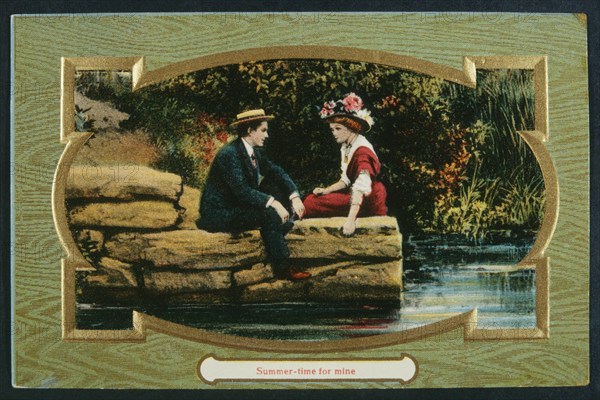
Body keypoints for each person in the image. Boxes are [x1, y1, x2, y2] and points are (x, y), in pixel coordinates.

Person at [197, 109, 311, 280]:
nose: (267, 135)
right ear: (250, 131)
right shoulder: (229, 154)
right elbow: (242, 191)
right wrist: (275, 203)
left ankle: (278, 228)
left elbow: (276, 172)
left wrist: (294, 196)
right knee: (270, 215)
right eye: (263, 130)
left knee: (275, 185)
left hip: (236, 206)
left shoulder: (254, 151)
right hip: (219, 214)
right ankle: (283, 268)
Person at [303, 93, 387, 235]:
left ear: (351, 128)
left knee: (310, 204)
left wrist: (350, 221)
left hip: (367, 198)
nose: (334, 133)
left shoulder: (362, 151)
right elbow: (346, 180)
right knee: (312, 199)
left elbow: (360, 187)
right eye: (332, 129)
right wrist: (327, 190)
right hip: (357, 194)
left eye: (338, 129)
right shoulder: (347, 146)